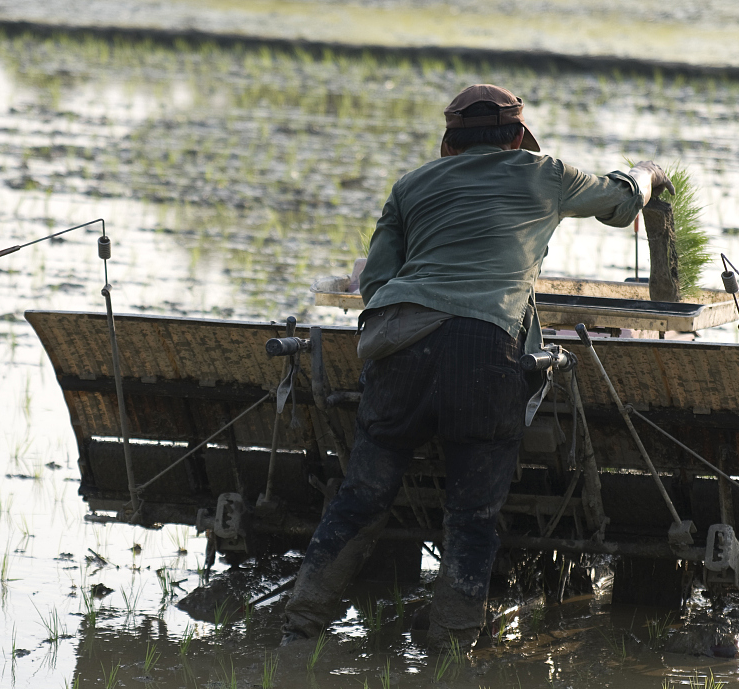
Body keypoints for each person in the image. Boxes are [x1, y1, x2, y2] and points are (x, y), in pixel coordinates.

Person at [281, 84, 674, 648]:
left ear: (448, 143)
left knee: (361, 498)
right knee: (470, 515)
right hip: (483, 352)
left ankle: (301, 626)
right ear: (517, 138)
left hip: (401, 351)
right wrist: (649, 170)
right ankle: (452, 645)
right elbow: (620, 202)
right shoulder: (543, 173)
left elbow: (376, 284)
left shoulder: (411, 186)